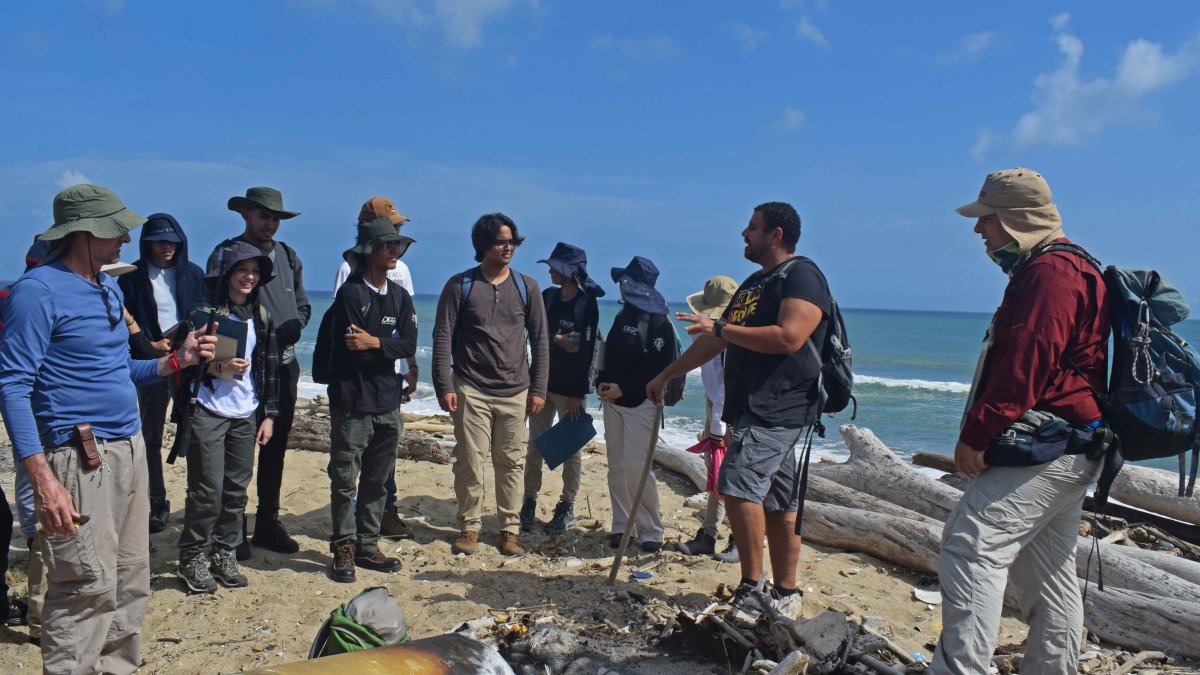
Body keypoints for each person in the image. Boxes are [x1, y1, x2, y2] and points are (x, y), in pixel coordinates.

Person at [0, 183, 216, 675]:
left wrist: (171, 364)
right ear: (84, 233)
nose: (124, 239)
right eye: (115, 229)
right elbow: (11, 387)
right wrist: (41, 478)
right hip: (77, 456)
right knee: (84, 587)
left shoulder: (106, 287)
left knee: (130, 579)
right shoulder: (36, 293)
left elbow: (119, 373)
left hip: (130, 448)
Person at [929, 169, 1110, 673]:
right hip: (1075, 444)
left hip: (1050, 444)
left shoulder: (1052, 273)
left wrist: (976, 434)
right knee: (1049, 573)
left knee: (970, 546)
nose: (978, 230)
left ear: (1014, 218)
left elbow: (1027, 361)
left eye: (986, 218)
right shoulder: (1070, 266)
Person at [646, 201, 831, 607]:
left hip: (780, 405)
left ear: (776, 235)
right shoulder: (754, 283)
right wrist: (668, 375)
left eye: (752, 227)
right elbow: (716, 338)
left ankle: (751, 588)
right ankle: (785, 590)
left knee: (738, 486)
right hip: (754, 407)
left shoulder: (802, 276)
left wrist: (723, 326)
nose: (744, 234)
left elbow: (790, 337)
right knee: (780, 500)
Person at [432, 213, 549, 556]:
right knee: (469, 459)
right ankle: (469, 526)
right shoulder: (460, 285)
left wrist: (539, 389)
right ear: (483, 245)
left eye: (512, 241)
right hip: (471, 387)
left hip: (516, 391)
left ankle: (509, 530)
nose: (509, 247)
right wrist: (444, 385)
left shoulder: (528, 288)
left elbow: (540, 341)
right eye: (501, 241)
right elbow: (442, 337)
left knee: (511, 462)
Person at [208, 186, 308, 558]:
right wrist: (223, 361)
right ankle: (231, 529)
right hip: (240, 367)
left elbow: (302, 305)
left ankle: (267, 521)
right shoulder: (225, 253)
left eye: (276, 217)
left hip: (283, 367)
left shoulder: (289, 255)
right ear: (246, 214)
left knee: (275, 448)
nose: (270, 223)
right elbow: (212, 307)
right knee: (233, 449)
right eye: (263, 215)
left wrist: (295, 325)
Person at [176, 242, 280, 593]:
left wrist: (268, 415)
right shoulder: (202, 314)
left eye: (255, 271)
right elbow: (182, 366)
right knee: (207, 491)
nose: (249, 277)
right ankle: (191, 556)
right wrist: (218, 367)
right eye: (242, 270)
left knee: (236, 491)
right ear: (227, 275)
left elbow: (269, 370)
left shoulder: (261, 317)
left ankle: (224, 553)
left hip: (246, 413)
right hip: (208, 410)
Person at [326, 217, 418, 582]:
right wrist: (383, 346)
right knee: (345, 479)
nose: (394, 251)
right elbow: (354, 350)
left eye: (397, 245)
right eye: (387, 245)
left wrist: (377, 342)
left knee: (378, 480)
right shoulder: (350, 293)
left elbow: (409, 344)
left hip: (388, 401)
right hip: (352, 401)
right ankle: (344, 548)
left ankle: (367, 544)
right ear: (369, 252)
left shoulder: (401, 296)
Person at [118, 213, 205, 533]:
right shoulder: (130, 277)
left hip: (190, 364)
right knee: (150, 434)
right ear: (147, 244)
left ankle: (199, 499)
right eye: (159, 240)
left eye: (172, 240)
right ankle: (156, 500)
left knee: (197, 432)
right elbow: (123, 320)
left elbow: (203, 315)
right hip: (150, 363)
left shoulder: (194, 274)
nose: (167, 246)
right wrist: (148, 345)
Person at [521, 242, 604, 533]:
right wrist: (556, 341)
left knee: (571, 451)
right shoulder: (548, 297)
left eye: (555, 268)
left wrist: (580, 394)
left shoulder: (587, 304)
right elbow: (534, 333)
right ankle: (528, 501)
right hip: (542, 386)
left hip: (572, 392)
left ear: (569, 271)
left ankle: (566, 506)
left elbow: (590, 350)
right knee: (534, 447)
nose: (551, 272)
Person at [596, 256, 677, 554]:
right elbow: (612, 356)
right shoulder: (623, 316)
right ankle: (622, 526)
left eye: (623, 282)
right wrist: (602, 381)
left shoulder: (659, 322)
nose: (619, 287)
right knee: (616, 466)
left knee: (637, 467)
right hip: (613, 403)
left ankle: (651, 530)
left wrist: (624, 388)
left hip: (643, 404)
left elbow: (659, 369)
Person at [675, 275, 740, 561]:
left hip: (728, 412)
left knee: (729, 477)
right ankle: (712, 534)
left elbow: (721, 385)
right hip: (724, 408)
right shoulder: (732, 332)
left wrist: (717, 427)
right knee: (720, 475)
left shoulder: (723, 337)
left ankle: (733, 538)